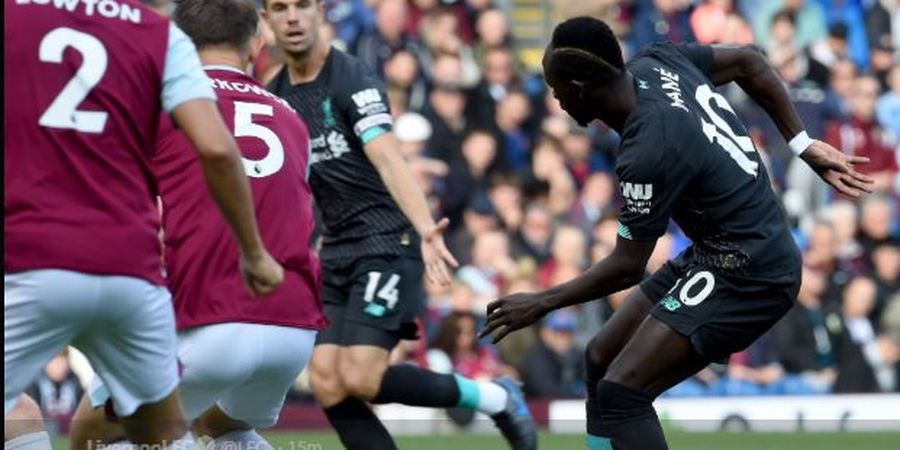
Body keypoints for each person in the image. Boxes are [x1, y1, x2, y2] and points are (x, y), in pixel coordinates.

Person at [480, 16, 873, 450]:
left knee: (623, 393)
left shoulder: (647, 149)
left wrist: (541, 300)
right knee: (599, 357)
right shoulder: (657, 62)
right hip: (719, 251)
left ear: (580, 85)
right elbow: (747, 59)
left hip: (751, 272)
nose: (554, 98)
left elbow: (627, 267)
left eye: (556, 87)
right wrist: (801, 144)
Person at [4, 1, 283, 450]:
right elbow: (216, 149)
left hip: (31, 256)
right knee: (162, 433)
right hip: (130, 271)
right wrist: (253, 252)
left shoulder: (14, 18)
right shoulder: (160, 33)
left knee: (20, 416)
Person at [262, 1, 536, 449]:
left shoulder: (352, 78)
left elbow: (389, 158)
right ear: (266, 22)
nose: (292, 17)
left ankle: (493, 396)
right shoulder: (275, 95)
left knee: (362, 378)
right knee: (328, 382)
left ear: (320, 14)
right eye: (279, 8)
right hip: (335, 249)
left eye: (303, 5)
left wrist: (426, 227)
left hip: (387, 239)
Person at [64, 2, 326, 450]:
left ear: (177, 44)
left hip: (210, 316)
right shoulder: (291, 118)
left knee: (93, 433)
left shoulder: (162, 102)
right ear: (257, 45)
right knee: (221, 425)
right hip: (293, 327)